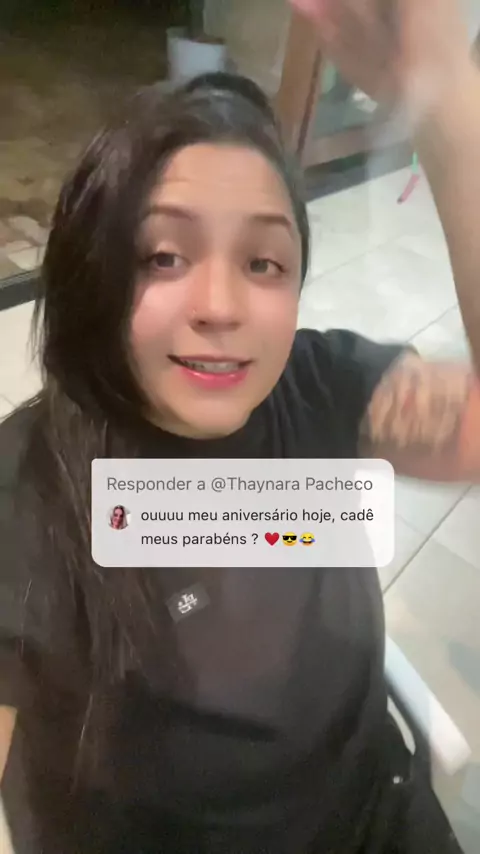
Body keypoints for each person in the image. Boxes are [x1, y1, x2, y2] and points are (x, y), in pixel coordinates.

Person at [1, 0, 480, 850]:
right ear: (94, 269)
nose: (221, 307)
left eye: (264, 262)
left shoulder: (322, 386)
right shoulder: (31, 482)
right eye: (164, 256)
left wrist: (447, 105)